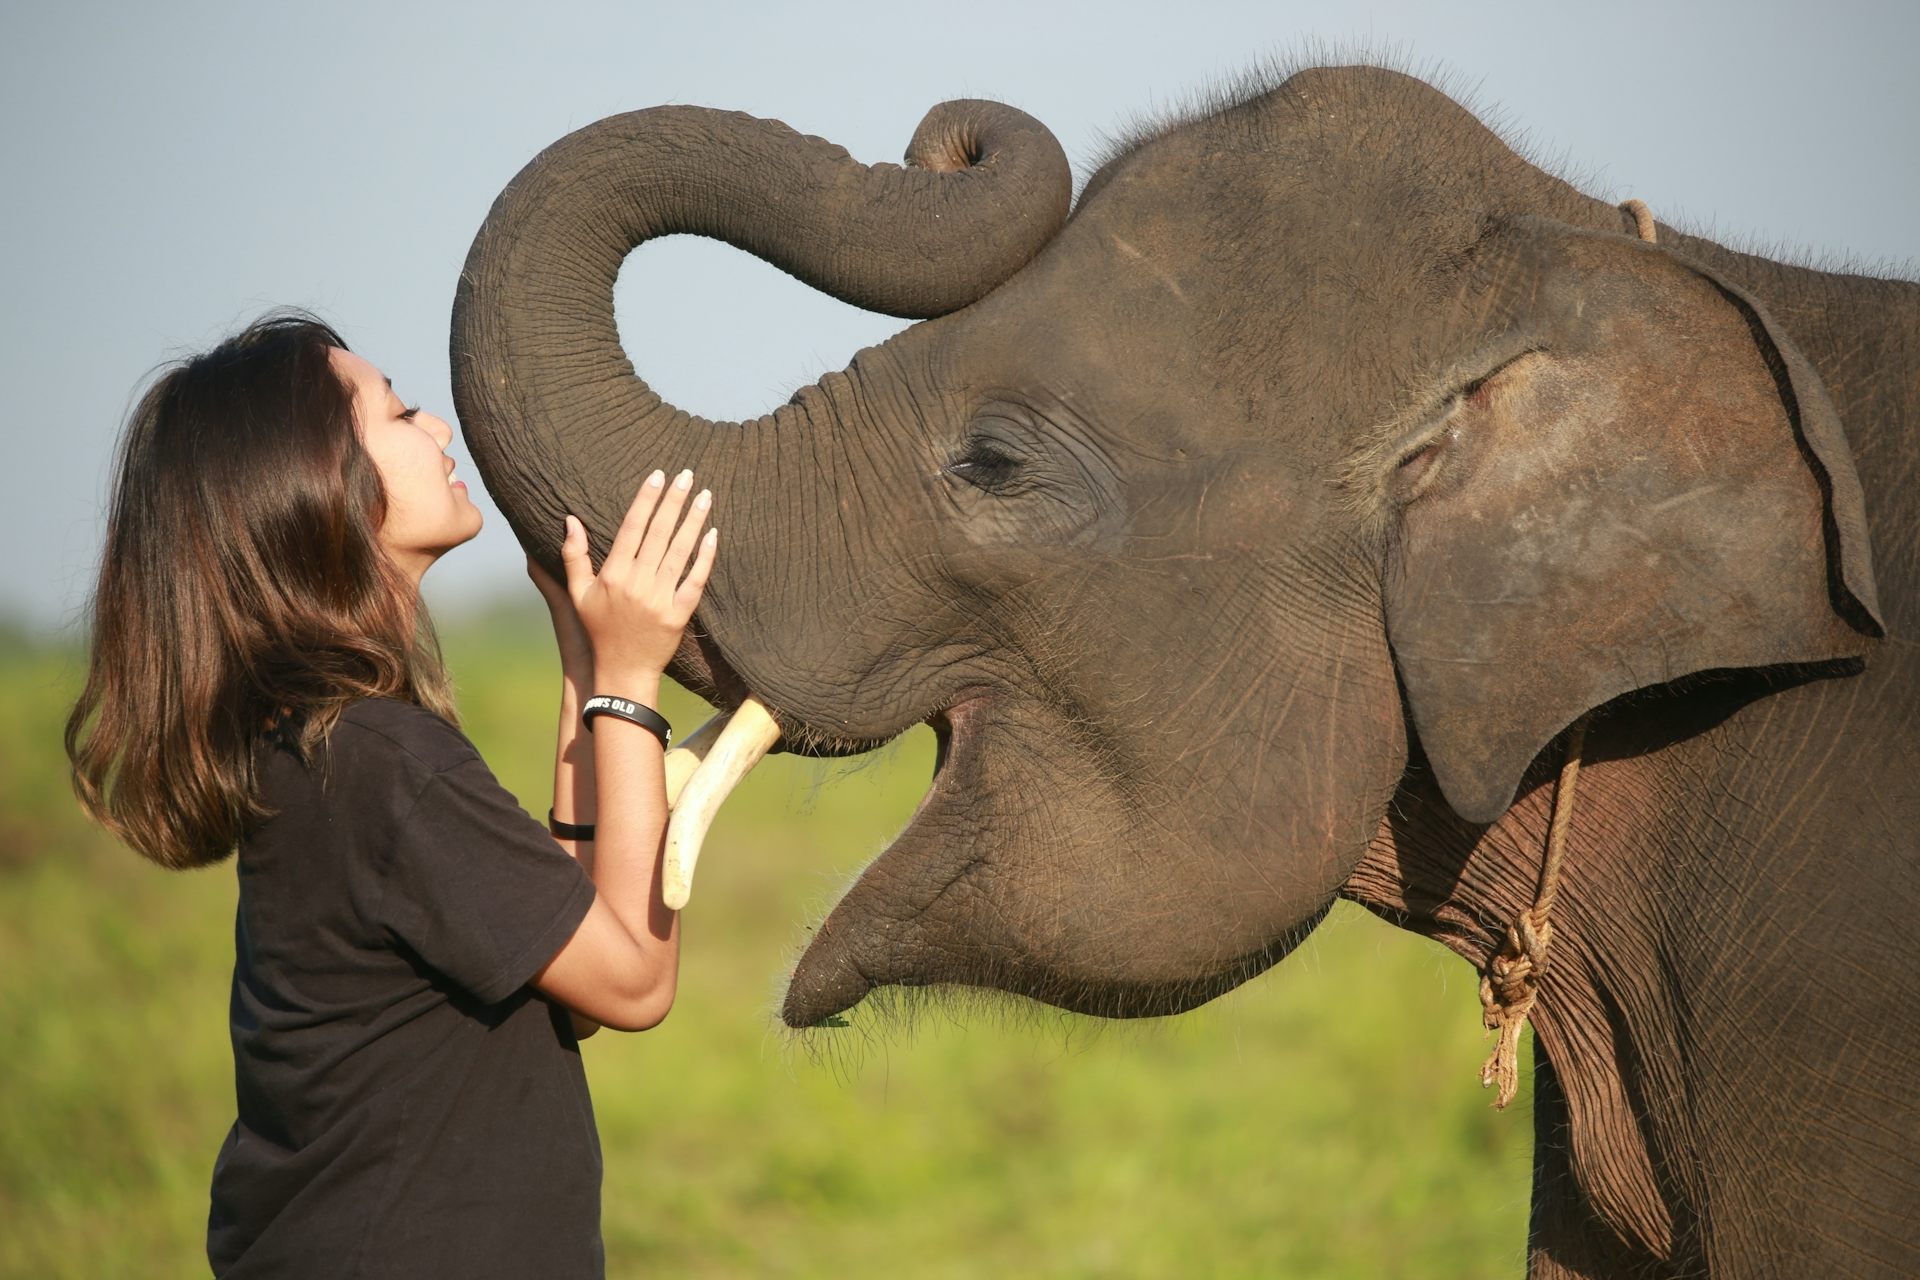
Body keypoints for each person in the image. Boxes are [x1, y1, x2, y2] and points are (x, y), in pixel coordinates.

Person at [64, 312, 715, 1277]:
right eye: (402, 412)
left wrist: (586, 667)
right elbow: (633, 985)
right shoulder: (384, 761)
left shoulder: (330, 746)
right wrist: (633, 678)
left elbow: (573, 979)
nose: (441, 430)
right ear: (323, 490)